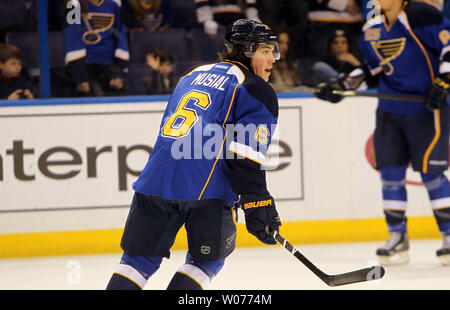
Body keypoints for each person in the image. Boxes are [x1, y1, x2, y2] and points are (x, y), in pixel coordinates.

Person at [106, 19, 282, 290]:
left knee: (135, 263)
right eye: (265, 51)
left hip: (155, 180)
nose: (273, 58)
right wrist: (258, 203)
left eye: (274, 50)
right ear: (245, 51)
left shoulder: (192, 74)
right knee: (205, 263)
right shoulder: (255, 89)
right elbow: (244, 158)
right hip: (206, 189)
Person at [315, 0, 450, 266]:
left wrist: (445, 80)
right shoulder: (372, 26)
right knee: (390, 174)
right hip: (389, 111)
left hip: (427, 110)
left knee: (432, 174)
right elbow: (373, 70)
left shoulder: (420, 14)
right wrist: (342, 85)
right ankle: (397, 236)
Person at [62, 0, 129, 97]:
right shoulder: (73, 4)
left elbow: (121, 35)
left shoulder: (115, 3)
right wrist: (80, 77)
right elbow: (71, 36)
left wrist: (119, 72)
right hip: (84, 67)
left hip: (108, 66)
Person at [195, 0, 261, 38]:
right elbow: (202, 3)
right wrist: (207, 20)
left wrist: (253, 17)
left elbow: (250, 5)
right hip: (216, 19)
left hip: (239, 18)